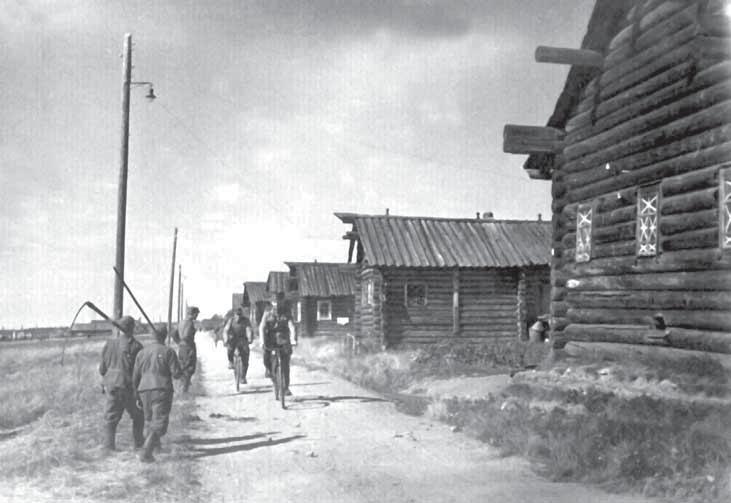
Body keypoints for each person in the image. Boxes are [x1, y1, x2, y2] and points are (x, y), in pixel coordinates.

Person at [133, 325, 182, 463]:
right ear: (165, 336)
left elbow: (135, 377)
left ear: (151, 336)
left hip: (143, 390)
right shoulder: (168, 351)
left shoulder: (141, 353)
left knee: (148, 421)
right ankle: (146, 453)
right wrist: (181, 369)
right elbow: (176, 374)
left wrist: (137, 395)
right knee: (160, 422)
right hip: (161, 390)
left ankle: (156, 447)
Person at [98, 315, 144, 451]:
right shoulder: (136, 345)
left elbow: (102, 369)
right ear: (132, 328)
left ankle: (108, 446)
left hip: (111, 385)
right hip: (127, 386)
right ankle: (139, 444)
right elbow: (139, 371)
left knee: (110, 417)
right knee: (138, 415)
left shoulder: (109, 344)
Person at [259, 292, 297, 396]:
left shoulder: (286, 312)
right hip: (270, 340)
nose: (277, 304)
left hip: (283, 339)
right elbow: (262, 327)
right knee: (267, 359)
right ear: (272, 302)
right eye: (274, 301)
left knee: (285, 365)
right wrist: (262, 341)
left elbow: (292, 326)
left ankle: (285, 388)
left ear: (282, 301)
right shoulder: (267, 313)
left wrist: (293, 339)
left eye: (279, 301)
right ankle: (271, 373)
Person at [172, 306, 199, 392]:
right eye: (196, 314)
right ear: (193, 314)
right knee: (189, 367)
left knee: (183, 366)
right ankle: (184, 389)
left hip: (182, 347)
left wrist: (179, 342)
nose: (197, 316)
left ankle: (183, 386)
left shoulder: (181, 322)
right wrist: (187, 342)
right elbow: (187, 335)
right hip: (188, 347)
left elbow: (173, 333)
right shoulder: (190, 323)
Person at [225, 307, 253, 383]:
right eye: (237, 314)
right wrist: (225, 339)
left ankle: (243, 376)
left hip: (242, 339)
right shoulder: (231, 320)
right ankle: (231, 361)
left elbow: (248, 329)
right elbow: (226, 330)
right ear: (234, 314)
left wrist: (250, 338)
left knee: (245, 357)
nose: (239, 316)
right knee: (230, 348)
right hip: (233, 339)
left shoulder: (246, 320)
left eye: (240, 314)